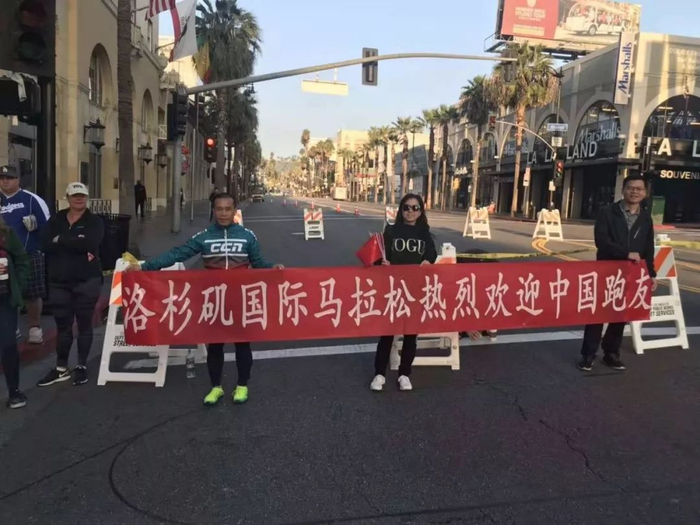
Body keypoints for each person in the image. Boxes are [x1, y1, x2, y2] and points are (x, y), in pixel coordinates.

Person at [126, 193, 284, 406]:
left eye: (228, 209)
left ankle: (242, 385)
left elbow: (258, 262)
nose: (223, 213)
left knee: (242, 344)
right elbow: (177, 254)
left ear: (234, 210)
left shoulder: (247, 236)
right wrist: (145, 267)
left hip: (240, 300)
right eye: (219, 209)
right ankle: (216, 387)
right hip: (214, 301)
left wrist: (272, 268)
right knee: (215, 346)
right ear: (214, 211)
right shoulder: (204, 237)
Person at [578, 173, 657, 372]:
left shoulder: (646, 218)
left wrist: (651, 274)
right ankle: (588, 354)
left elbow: (648, 248)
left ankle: (611, 354)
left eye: (639, 189)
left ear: (645, 193)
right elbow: (601, 241)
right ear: (623, 190)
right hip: (606, 270)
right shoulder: (607, 212)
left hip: (630, 273)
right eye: (631, 188)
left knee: (620, 313)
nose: (635, 192)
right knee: (597, 313)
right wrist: (625, 253)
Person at [37, 182, 104, 387]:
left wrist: (61, 240)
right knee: (63, 326)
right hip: (59, 282)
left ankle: (81, 366)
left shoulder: (94, 221)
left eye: (82, 195)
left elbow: (90, 243)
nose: (79, 199)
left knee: (84, 324)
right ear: (67, 198)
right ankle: (61, 368)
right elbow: (44, 244)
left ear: (87, 198)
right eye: (75, 196)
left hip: (87, 281)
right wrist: (74, 242)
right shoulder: (56, 219)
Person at [370, 193, 437, 393]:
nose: (410, 211)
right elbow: (379, 256)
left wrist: (428, 261)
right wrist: (382, 262)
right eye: (406, 207)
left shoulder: (424, 233)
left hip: (415, 290)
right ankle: (379, 374)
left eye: (415, 208)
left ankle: (404, 374)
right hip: (392, 288)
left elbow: (431, 253)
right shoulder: (391, 231)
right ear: (401, 210)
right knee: (387, 334)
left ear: (421, 211)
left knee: (410, 334)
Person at [0, 165, 51, 344]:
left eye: (9, 178)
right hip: (3, 257)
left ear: (18, 180)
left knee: (31, 293)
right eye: (2, 178)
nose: (5, 181)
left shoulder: (31, 199)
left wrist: (35, 228)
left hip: (28, 253)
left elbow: (47, 227)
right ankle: (10, 326)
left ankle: (34, 327)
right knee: (5, 292)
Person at [0, 214, 30, 408]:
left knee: (8, 345)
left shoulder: (7, 234)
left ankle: (14, 391)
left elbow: (22, 260)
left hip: (4, 300)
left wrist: (17, 287)